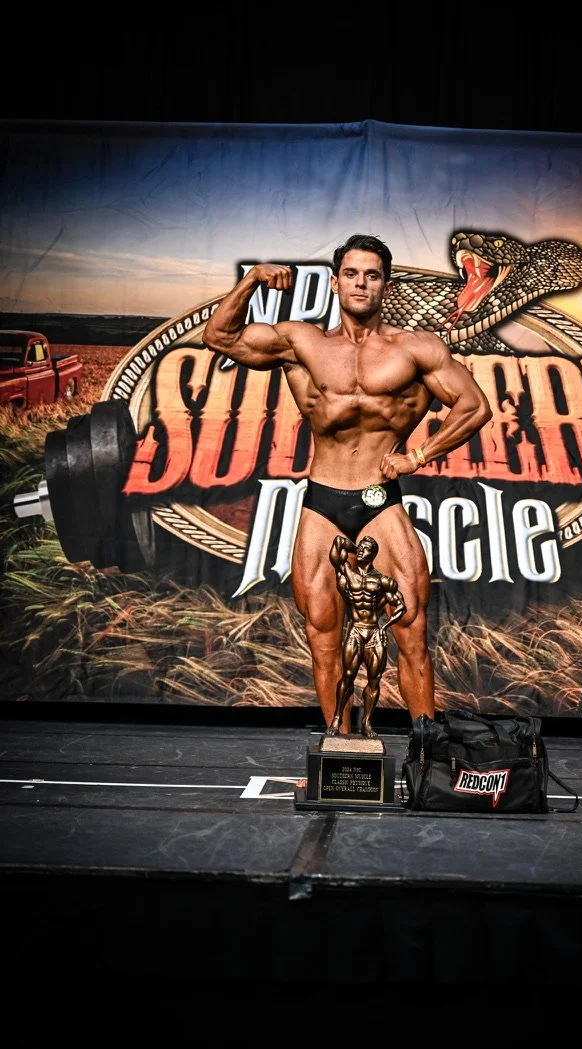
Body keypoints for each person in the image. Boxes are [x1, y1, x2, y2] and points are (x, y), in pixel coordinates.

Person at [202, 233, 492, 732]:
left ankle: (424, 758)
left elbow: (475, 406)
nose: (362, 283)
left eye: (373, 275)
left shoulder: (417, 349)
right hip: (323, 502)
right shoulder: (302, 342)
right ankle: (342, 747)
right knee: (323, 637)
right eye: (353, 274)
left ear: (386, 284)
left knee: (411, 634)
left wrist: (419, 455)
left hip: (381, 502)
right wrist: (250, 281)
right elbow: (220, 339)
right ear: (335, 283)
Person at [327, 534, 406, 740]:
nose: (360, 552)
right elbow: (338, 543)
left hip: (373, 632)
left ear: (373, 554)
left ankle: (367, 723)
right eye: (360, 548)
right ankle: (337, 718)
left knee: (374, 680)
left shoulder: (382, 581)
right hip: (355, 630)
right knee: (348, 675)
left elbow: (401, 605)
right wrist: (357, 547)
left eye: (365, 549)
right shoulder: (346, 572)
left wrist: (385, 627)